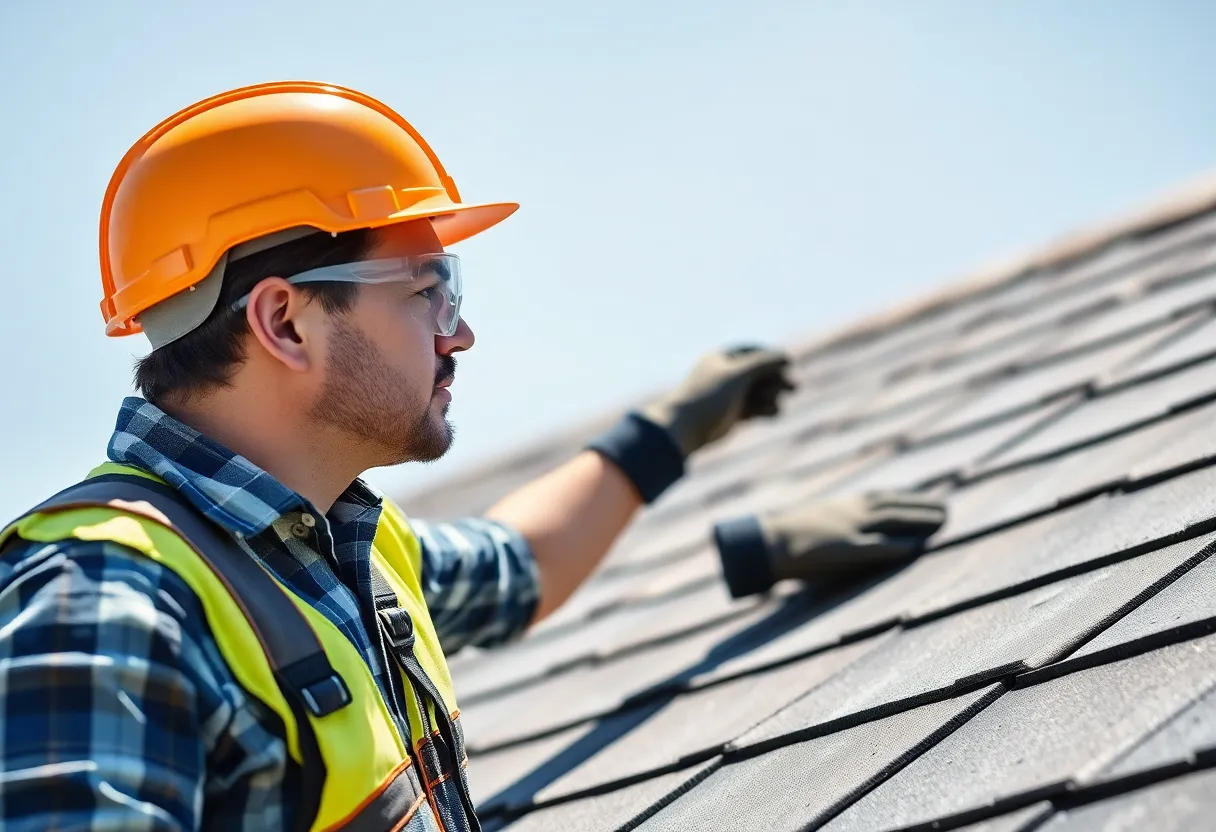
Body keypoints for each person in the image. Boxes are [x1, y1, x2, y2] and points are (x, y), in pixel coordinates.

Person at [0, 81, 945, 832]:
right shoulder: (106, 604)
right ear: (284, 320)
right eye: (429, 291)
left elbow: (519, 567)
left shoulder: (340, 552)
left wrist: (669, 432)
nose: (462, 335)